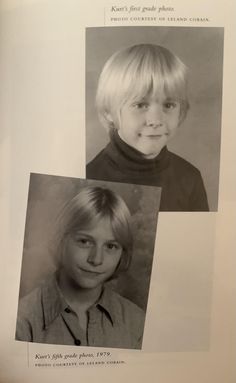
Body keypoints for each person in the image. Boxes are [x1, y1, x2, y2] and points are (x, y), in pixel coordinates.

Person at [15, 186, 145, 349]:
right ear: (61, 240)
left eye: (111, 246)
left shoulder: (137, 322)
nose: (96, 259)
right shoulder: (21, 320)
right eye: (84, 241)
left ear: (122, 252)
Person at [86, 44, 209, 211]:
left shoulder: (189, 178)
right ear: (109, 112)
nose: (156, 120)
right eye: (140, 104)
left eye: (169, 104)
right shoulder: (89, 180)